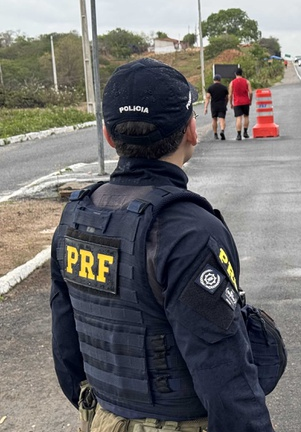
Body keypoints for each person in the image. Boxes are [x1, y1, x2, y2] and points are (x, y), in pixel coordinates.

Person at [50, 58, 274, 431]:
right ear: (191, 130)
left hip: (102, 418)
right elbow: (225, 378)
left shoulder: (75, 218)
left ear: (109, 135)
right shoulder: (187, 231)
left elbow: (67, 353)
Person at [229, 67, 253, 140]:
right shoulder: (247, 81)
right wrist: (250, 100)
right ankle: (245, 133)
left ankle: (239, 134)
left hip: (237, 102)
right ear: (242, 73)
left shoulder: (232, 82)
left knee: (238, 118)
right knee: (246, 116)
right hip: (245, 101)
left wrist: (231, 103)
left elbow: (230, 95)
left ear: (235, 74)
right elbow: (251, 92)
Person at [204, 74, 229, 140]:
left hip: (214, 105)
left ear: (214, 80)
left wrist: (205, 107)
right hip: (222, 105)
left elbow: (208, 97)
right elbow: (227, 97)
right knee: (222, 119)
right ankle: (222, 130)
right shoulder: (224, 88)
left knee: (214, 119)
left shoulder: (210, 88)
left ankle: (215, 134)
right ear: (220, 80)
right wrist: (226, 103)